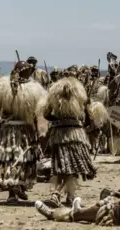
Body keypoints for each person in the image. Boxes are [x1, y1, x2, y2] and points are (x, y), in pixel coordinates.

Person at [0, 60, 47, 202]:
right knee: (16, 159)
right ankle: (13, 190)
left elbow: (36, 114)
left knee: (17, 159)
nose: (29, 73)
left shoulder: (5, 88)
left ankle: (17, 189)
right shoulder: (11, 88)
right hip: (17, 130)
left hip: (16, 130)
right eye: (27, 70)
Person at [38, 76, 98, 208]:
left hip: (67, 135)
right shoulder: (80, 101)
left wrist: (58, 118)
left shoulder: (57, 101)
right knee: (67, 166)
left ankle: (67, 195)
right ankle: (59, 194)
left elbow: (47, 115)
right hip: (72, 135)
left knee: (67, 165)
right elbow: (88, 120)